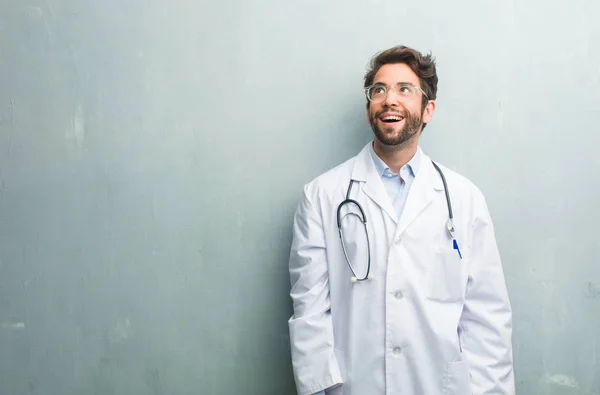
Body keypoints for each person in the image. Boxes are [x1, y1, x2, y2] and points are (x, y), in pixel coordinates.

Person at [287, 45, 514, 395]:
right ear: (368, 111)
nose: (389, 99)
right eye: (379, 90)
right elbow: (310, 312)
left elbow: (487, 318)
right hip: (355, 385)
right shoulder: (321, 196)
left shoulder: (465, 200)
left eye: (404, 89)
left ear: (428, 110)